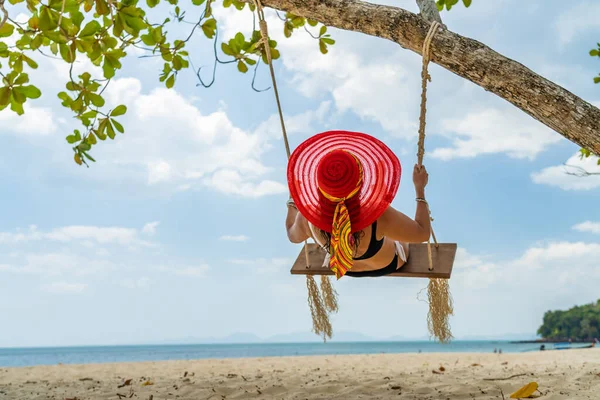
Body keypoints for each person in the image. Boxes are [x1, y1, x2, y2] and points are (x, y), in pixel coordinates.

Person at [285, 130, 432, 279]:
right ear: (361, 182)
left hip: (343, 268)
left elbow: (292, 235)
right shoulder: (378, 215)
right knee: (398, 238)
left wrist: (293, 201)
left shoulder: (307, 217)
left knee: (337, 234)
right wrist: (419, 189)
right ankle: (379, 187)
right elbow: (422, 233)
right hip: (387, 264)